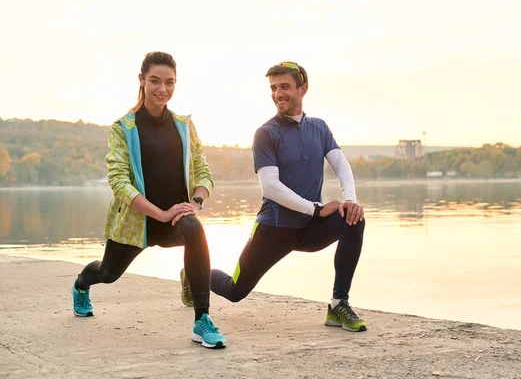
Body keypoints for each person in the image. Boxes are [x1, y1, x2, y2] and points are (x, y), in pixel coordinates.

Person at [183, 61, 367, 332]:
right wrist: (316, 209)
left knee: (354, 218)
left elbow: (340, 164)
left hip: (308, 228)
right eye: (273, 88)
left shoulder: (320, 127)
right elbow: (270, 186)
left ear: (303, 89)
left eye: (285, 87)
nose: (278, 94)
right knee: (235, 291)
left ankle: (339, 304)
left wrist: (349, 199)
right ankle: (192, 274)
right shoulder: (266, 133)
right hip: (274, 228)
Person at [71, 51, 226, 349]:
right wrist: (159, 213)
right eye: (155, 81)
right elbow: (119, 183)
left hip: (175, 219)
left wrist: (195, 202)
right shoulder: (123, 128)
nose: (162, 89)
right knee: (108, 273)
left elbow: (203, 172)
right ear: (141, 81)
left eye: (170, 82)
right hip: (136, 223)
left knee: (195, 230)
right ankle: (80, 284)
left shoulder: (184, 125)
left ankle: (202, 320)